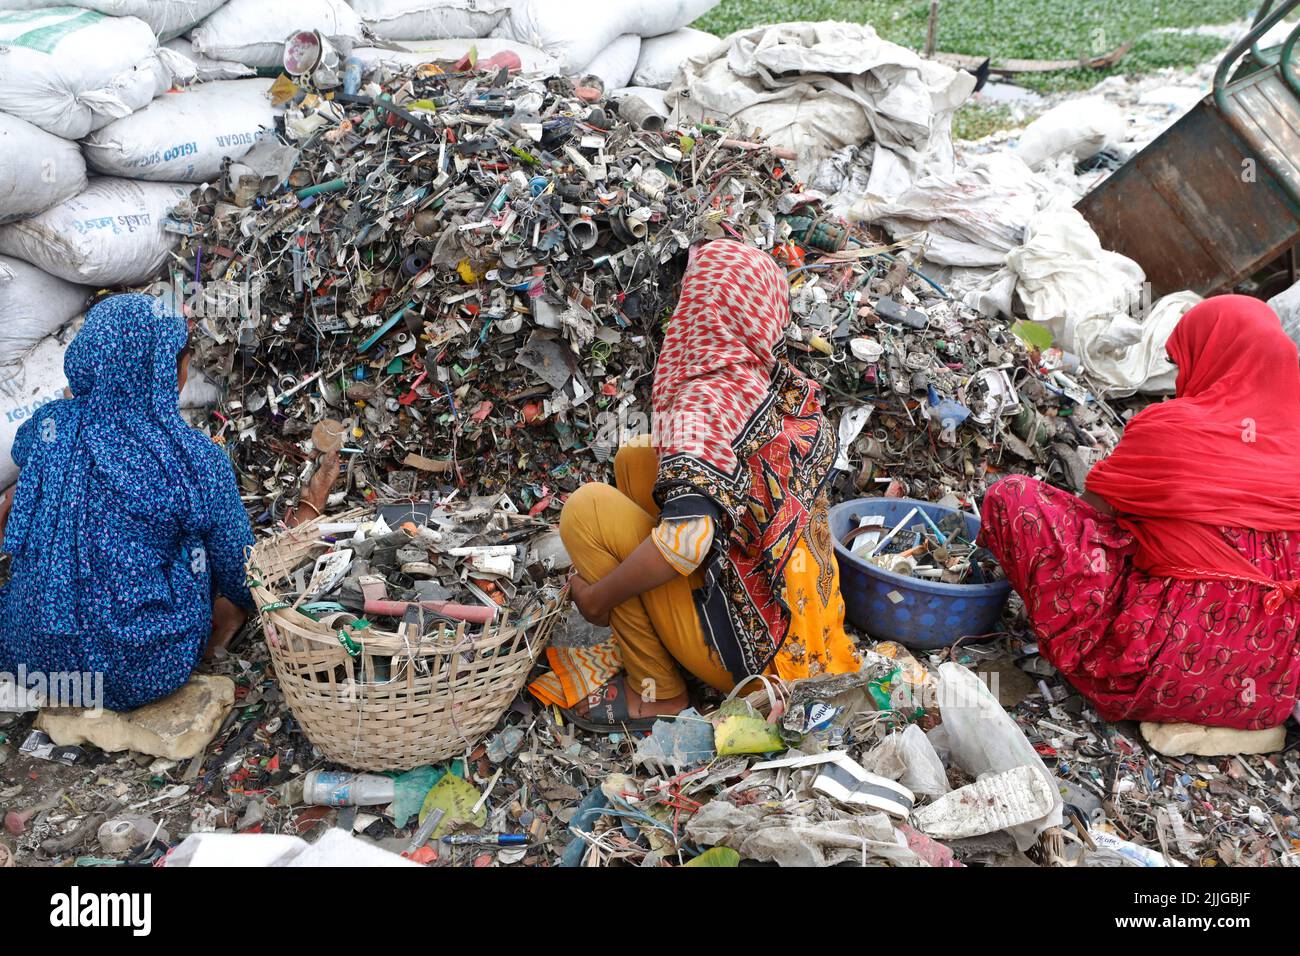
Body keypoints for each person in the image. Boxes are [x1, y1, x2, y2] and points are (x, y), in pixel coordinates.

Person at [559, 239, 860, 731]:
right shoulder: (780, 387)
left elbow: (686, 544)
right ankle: (672, 636)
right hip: (805, 632)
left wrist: (598, 598)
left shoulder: (704, 401)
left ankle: (657, 692)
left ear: (703, 307)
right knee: (638, 456)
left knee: (586, 511)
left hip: (757, 666)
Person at [0, 294, 335, 712]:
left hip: (30, 657)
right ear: (169, 370)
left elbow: (25, 468)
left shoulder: (49, 425)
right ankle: (217, 629)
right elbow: (246, 578)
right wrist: (309, 509)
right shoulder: (194, 459)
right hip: (131, 675)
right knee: (202, 548)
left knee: (60, 493)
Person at [979, 295, 1300, 731]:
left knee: (1014, 498)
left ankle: (1100, 654)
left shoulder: (1173, 428)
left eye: (1183, 361)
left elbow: (1093, 515)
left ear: (1216, 357)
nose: (1181, 377)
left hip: (1139, 675)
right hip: (1262, 691)